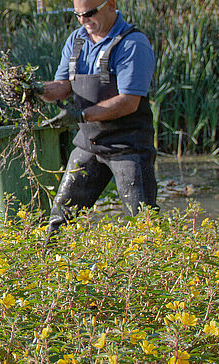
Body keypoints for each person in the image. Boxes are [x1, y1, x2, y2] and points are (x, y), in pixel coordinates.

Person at [37, 0, 157, 237]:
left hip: (128, 147)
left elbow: (128, 101)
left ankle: (160, 269)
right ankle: (47, 265)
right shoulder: (76, 39)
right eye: (78, 15)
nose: (84, 21)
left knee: (144, 222)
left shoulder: (133, 43)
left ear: (110, 5)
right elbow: (62, 86)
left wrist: (80, 115)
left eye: (90, 13)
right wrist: (35, 89)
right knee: (58, 221)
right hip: (89, 145)